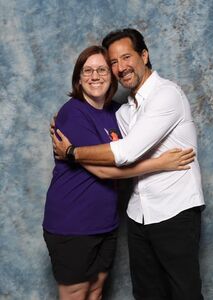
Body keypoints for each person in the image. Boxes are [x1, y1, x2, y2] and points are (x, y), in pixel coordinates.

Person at [44, 44, 195, 300]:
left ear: (112, 75)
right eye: (87, 70)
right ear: (78, 78)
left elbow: (133, 146)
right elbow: (105, 171)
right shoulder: (73, 113)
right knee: (77, 293)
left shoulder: (117, 112)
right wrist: (161, 164)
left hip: (105, 222)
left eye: (102, 69)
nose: (95, 76)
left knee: (96, 292)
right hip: (72, 222)